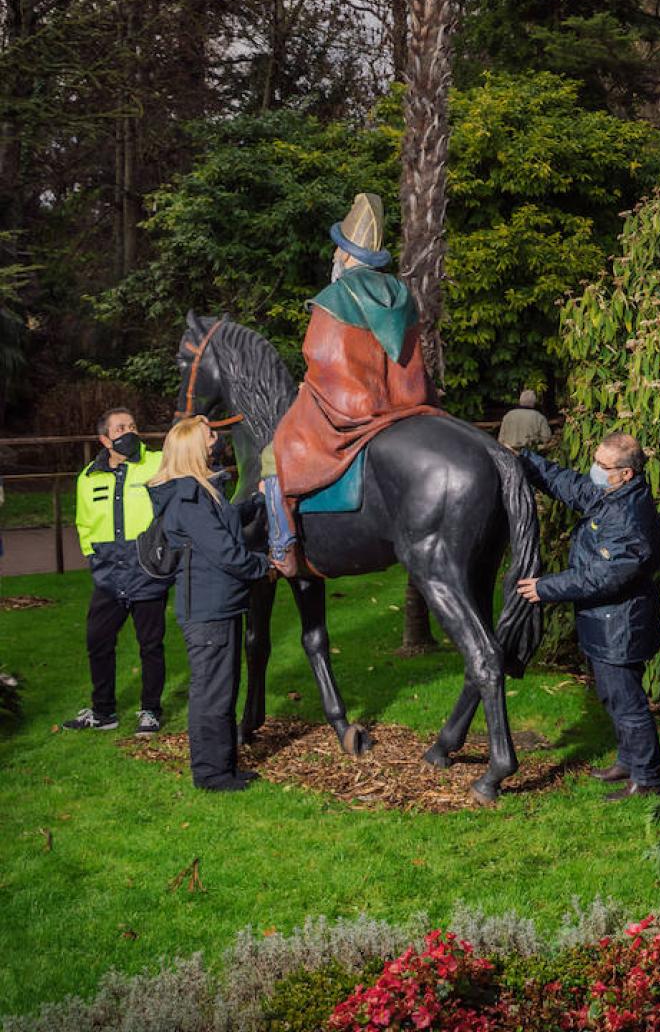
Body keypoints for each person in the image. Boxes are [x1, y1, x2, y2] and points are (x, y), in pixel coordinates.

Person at [266, 193, 442, 574]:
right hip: (405, 403)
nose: (334, 257)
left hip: (348, 408)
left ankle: (283, 545)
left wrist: (309, 384)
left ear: (345, 256)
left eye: (337, 251)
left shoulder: (335, 295)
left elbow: (320, 355)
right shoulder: (401, 294)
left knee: (275, 450)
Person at [516, 433, 660, 799]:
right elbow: (568, 484)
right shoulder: (612, 494)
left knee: (627, 702)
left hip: (621, 624)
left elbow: (605, 575)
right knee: (613, 696)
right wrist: (525, 460)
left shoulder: (629, 517)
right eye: (595, 460)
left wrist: (546, 588)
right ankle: (627, 761)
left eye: (603, 465)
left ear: (626, 473)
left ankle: (647, 780)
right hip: (609, 623)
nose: (594, 470)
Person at [147, 416, 269, 791]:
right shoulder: (188, 498)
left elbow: (227, 521)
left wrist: (258, 500)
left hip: (220, 605)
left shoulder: (201, 491)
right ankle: (212, 774)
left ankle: (225, 766)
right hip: (207, 610)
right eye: (210, 436)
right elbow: (226, 552)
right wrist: (266, 566)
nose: (218, 440)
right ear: (193, 448)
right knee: (212, 692)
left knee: (222, 689)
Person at [61, 409, 173, 735]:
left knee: (150, 645)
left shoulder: (157, 464)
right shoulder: (88, 477)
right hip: (108, 576)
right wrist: (91, 555)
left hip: (147, 570)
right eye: (121, 428)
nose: (129, 431)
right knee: (98, 642)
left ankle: (150, 710)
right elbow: (84, 523)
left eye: (133, 426)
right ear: (104, 439)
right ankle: (103, 712)